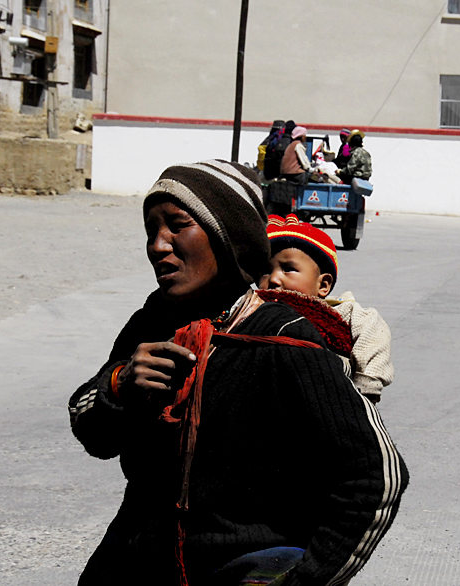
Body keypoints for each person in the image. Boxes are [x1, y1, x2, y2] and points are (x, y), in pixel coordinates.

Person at [68, 160, 407, 586]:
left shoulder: (284, 339)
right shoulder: (149, 325)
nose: (157, 245)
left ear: (228, 236)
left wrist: (306, 578)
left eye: (178, 226)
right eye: (151, 230)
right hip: (134, 562)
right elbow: (93, 434)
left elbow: (376, 476)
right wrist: (119, 385)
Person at [264, 214, 394, 403]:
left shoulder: (342, 313)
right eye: (265, 271)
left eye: (288, 269)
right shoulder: (253, 310)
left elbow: (374, 335)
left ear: (323, 285)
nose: (274, 279)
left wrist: (367, 386)